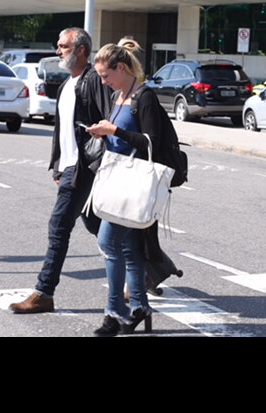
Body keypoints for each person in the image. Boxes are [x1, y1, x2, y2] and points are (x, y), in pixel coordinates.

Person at [8, 28, 112, 314]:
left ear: (80, 50)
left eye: (63, 46)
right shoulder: (68, 84)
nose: (58, 51)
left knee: (58, 227)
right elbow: (61, 130)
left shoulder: (93, 81)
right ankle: (145, 268)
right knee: (98, 226)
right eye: (58, 46)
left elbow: (108, 123)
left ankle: (44, 292)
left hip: (85, 169)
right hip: (69, 167)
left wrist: (96, 165)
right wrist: (57, 164)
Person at [86, 39, 165, 337]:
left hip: (134, 184)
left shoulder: (144, 97)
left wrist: (114, 130)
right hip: (117, 179)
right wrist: (103, 132)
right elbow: (118, 139)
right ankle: (139, 307)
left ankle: (114, 312)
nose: (103, 82)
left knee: (108, 243)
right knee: (130, 248)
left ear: (121, 67)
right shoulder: (118, 95)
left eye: (106, 76)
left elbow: (151, 144)